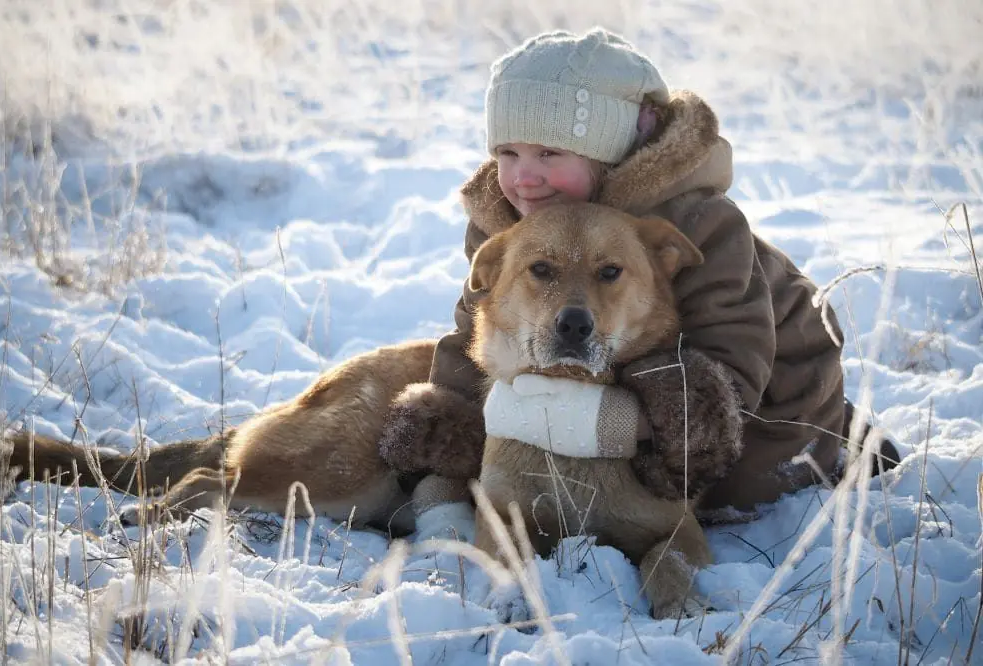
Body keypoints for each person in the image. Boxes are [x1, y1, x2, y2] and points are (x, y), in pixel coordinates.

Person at [377, 27, 900, 536]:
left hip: (761, 394)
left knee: (724, 490)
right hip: (611, 364)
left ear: (612, 151)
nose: (523, 177)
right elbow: (482, 326)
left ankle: (836, 439)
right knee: (520, 457)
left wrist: (610, 425)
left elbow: (734, 358)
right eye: (507, 153)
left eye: (549, 153)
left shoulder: (700, 223)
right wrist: (447, 431)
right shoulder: (513, 216)